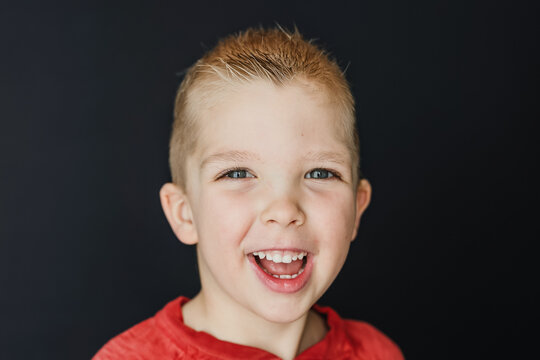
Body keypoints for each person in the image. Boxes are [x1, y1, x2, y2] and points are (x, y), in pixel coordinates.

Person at [93, 26, 404, 360]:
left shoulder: (377, 353)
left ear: (357, 209)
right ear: (184, 213)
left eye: (320, 173)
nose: (284, 210)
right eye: (238, 173)